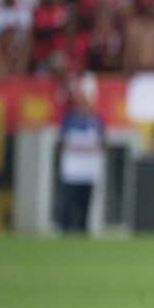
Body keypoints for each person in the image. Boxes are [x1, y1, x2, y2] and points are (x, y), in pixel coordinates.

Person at [57, 83, 105, 233]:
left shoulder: (97, 120)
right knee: (69, 201)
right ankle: (65, 229)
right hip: (72, 169)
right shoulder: (69, 119)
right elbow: (61, 144)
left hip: (89, 169)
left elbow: (102, 144)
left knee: (86, 203)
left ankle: (83, 230)